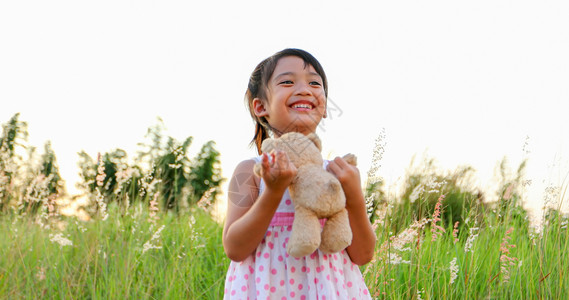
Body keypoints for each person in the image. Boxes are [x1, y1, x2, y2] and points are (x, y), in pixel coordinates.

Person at [222, 48, 376, 299]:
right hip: (269, 290)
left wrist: (356, 198)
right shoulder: (249, 171)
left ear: (324, 106)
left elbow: (363, 255)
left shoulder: (338, 174)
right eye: (287, 81)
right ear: (261, 106)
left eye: (315, 83)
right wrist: (272, 192)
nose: (305, 89)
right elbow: (234, 248)